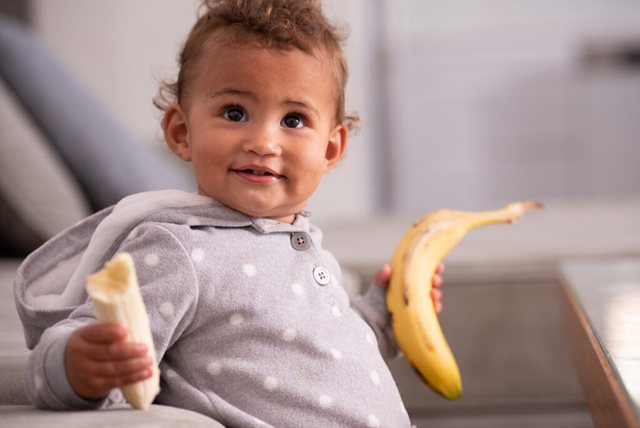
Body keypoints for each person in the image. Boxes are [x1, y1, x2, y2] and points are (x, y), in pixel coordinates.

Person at [14, 0, 443, 426]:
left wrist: (381, 317)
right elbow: (92, 338)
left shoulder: (305, 246)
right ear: (182, 133)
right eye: (235, 113)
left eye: (293, 120)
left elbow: (324, 352)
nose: (263, 141)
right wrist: (72, 366)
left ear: (330, 149)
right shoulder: (179, 249)